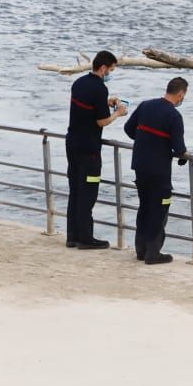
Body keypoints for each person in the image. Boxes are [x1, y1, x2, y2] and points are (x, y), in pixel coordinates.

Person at [65, 50, 128, 249]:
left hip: (72, 143)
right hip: (89, 149)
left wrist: (105, 103)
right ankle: (86, 238)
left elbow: (88, 108)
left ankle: (72, 236)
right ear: (103, 68)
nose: (110, 73)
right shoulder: (99, 89)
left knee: (75, 190)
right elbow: (101, 121)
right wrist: (118, 113)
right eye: (110, 70)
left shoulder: (79, 83)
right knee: (88, 191)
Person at [124, 77, 189, 265]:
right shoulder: (174, 116)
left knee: (144, 207)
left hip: (140, 165)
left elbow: (128, 129)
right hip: (159, 170)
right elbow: (178, 149)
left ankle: (141, 250)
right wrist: (182, 156)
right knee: (159, 209)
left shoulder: (145, 105)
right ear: (181, 94)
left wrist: (146, 141)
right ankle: (153, 252)